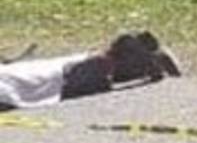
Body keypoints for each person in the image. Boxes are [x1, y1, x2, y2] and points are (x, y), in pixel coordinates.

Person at [0, 32, 181, 111]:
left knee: (89, 73)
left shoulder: (99, 64)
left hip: (40, 75)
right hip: (42, 74)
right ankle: (142, 58)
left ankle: (143, 57)